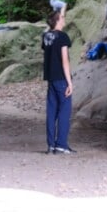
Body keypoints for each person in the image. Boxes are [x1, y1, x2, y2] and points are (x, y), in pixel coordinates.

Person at [41, 8, 74, 154]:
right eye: (62, 17)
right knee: (64, 111)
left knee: (51, 111)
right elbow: (64, 60)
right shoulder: (62, 37)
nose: (64, 19)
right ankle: (61, 144)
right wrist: (70, 82)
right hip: (61, 78)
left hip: (50, 79)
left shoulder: (46, 36)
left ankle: (51, 145)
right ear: (58, 21)